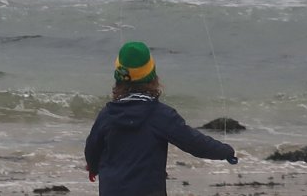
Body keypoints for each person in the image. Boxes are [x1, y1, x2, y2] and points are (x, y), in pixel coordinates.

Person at [85, 41, 237, 196]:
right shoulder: (161, 115)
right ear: (152, 77)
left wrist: (93, 167)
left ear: (118, 79)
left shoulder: (107, 115)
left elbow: (92, 148)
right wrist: (225, 152)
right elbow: (194, 143)